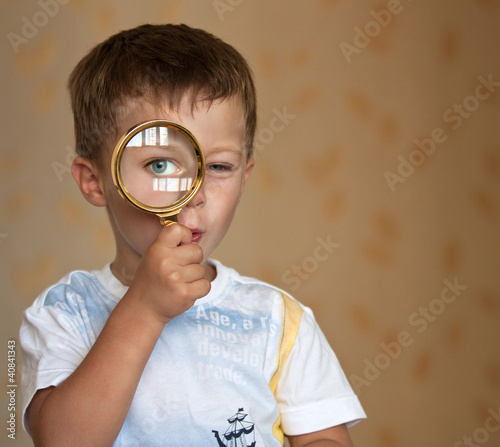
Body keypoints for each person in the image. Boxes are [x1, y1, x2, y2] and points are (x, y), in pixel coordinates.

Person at [19, 24, 366, 446]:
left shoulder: (277, 320)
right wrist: (144, 309)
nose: (194, 193)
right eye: (161, 165)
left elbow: (323, 439)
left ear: (244, 177)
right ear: (95, 182)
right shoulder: (65, 312)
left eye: (219, 167)